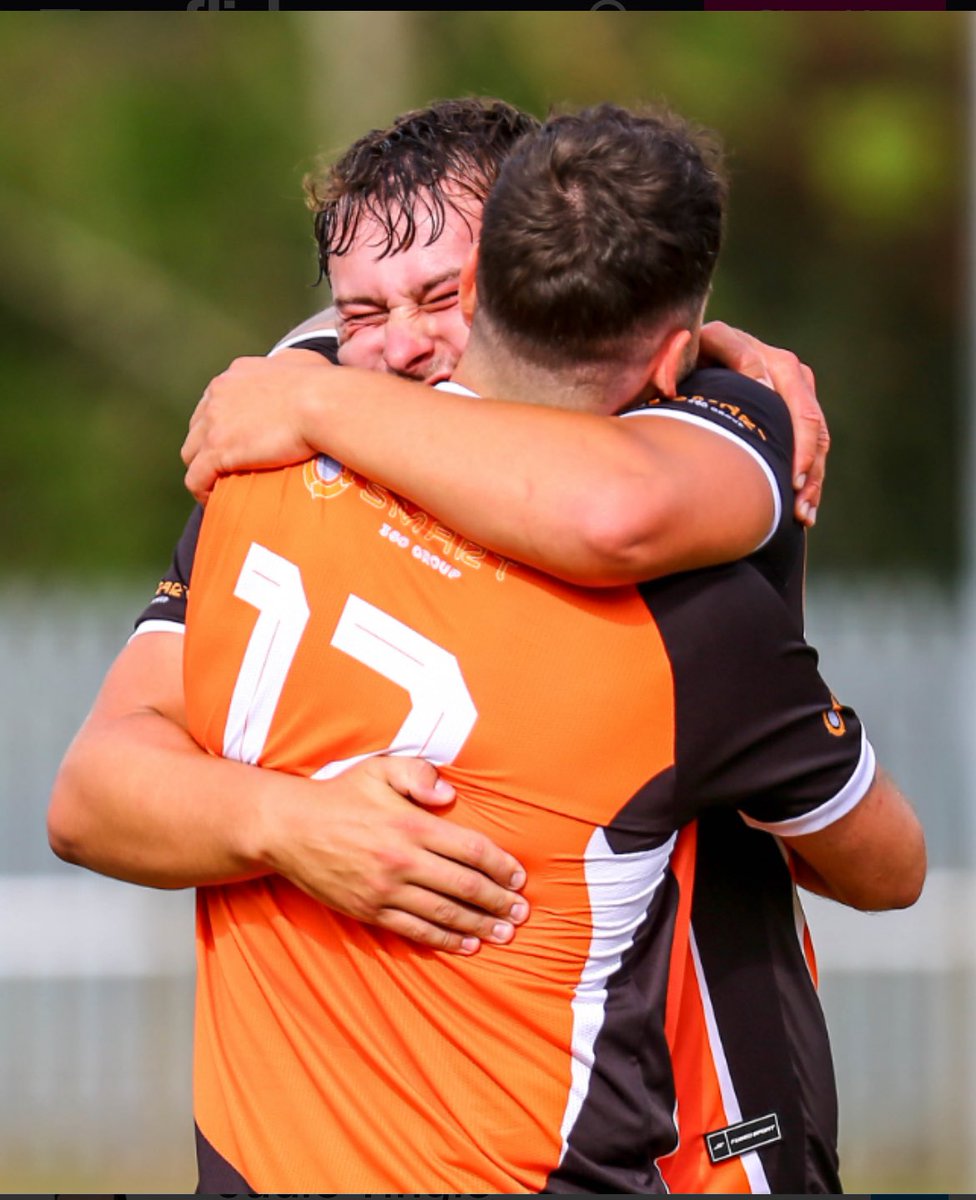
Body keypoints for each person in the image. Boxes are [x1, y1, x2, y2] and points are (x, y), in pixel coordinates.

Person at [48, 99, 840, 1191]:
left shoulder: (690, 421)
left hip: (696, 1108)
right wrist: (288, 823)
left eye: (443, 296)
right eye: (362, 311)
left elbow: (609, 509)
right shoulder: (300, 453)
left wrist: (312, 400)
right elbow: (91, 792)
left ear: (527, 269)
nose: (403, 344)